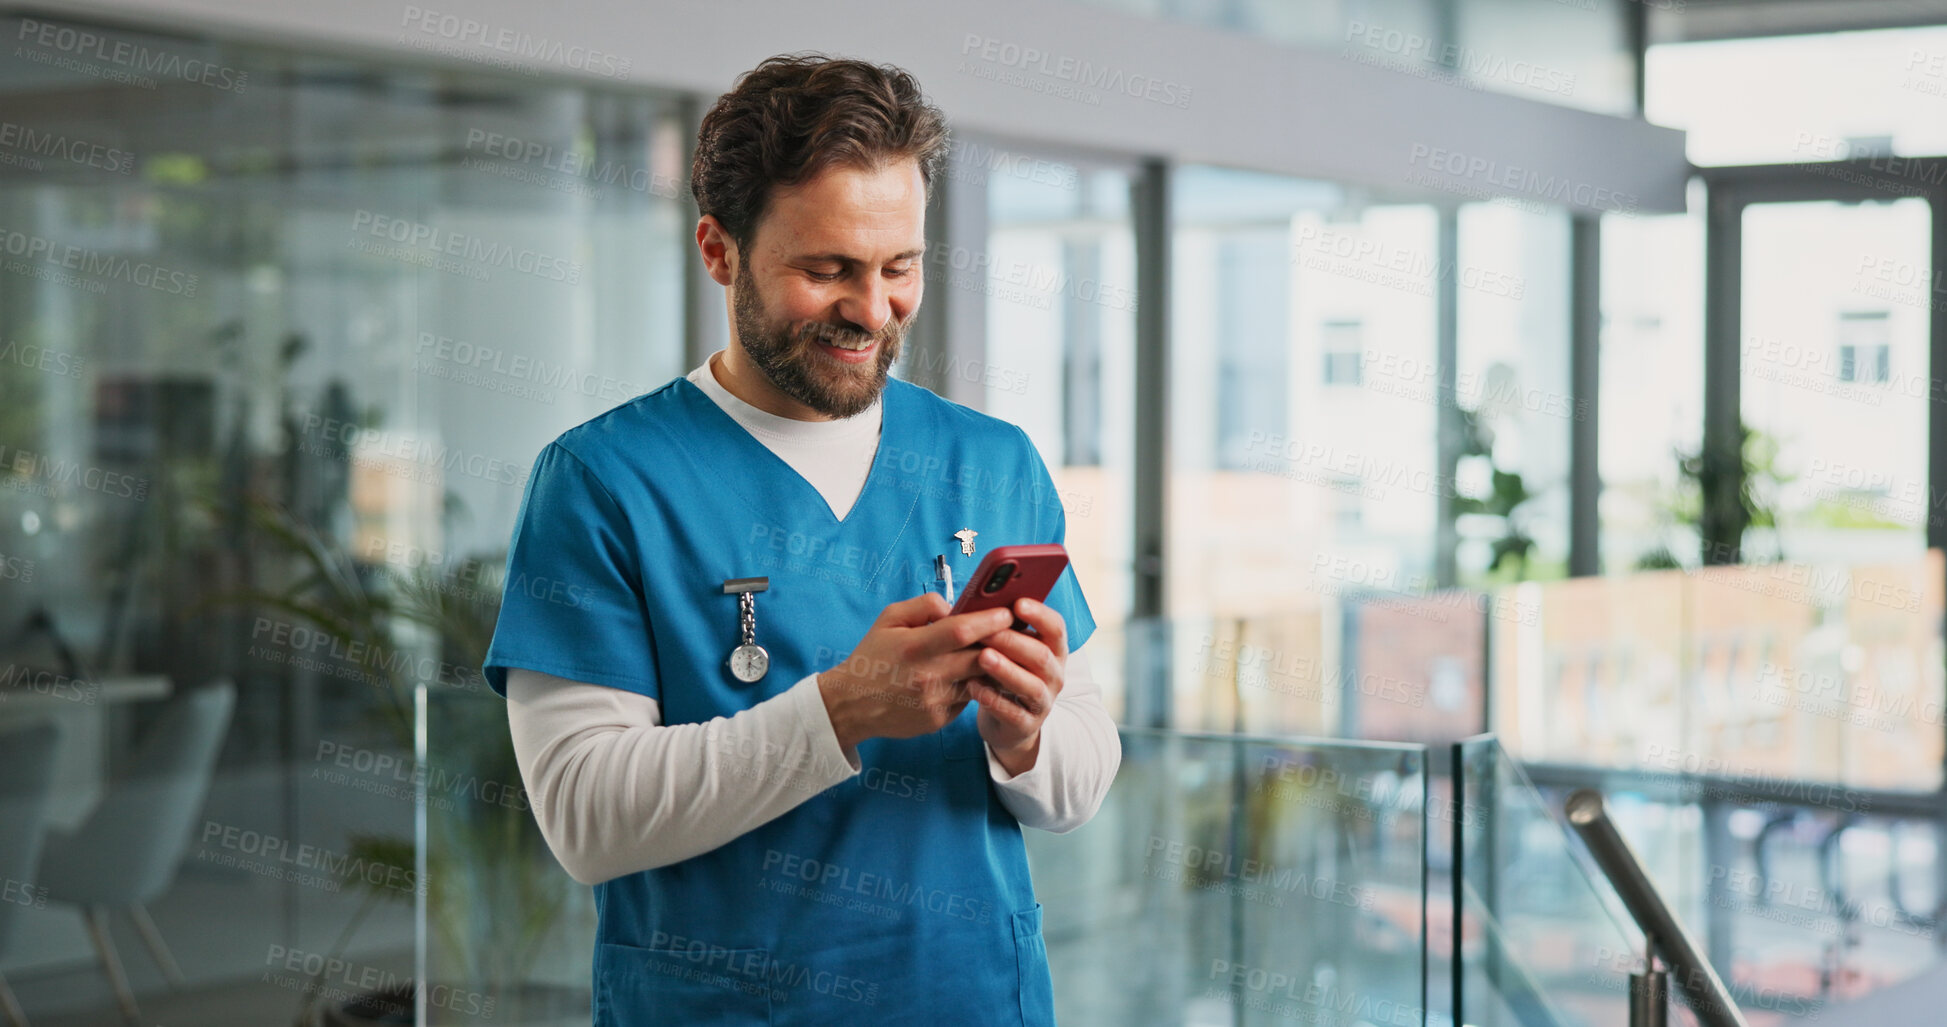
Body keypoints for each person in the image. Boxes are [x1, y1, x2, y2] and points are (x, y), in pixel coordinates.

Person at [484, 53, 1121, 1025]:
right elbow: (584, 815)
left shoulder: (993, 462)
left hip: (973, 997)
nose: (871, 309)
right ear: (718, 249)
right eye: (826, 271)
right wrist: (843, 709)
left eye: (899, 267)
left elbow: (1079, 780)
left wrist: (1025, 736)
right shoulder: (603, 481)